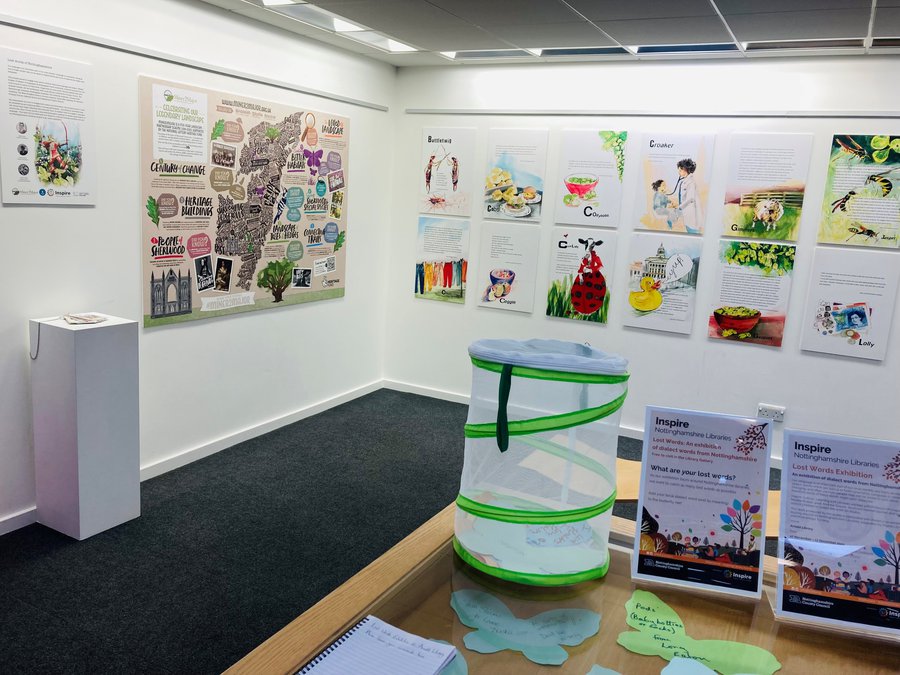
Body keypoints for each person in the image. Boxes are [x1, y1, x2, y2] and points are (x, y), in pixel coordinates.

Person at [674, 158, 703, 234]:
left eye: (680, 170)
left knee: (692, 231)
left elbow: (690, 198)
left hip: (691, 214)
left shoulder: (691, 183)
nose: (679, 172)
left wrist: (679, 207)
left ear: (685, 170)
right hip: (686, 213)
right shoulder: (685, 181)